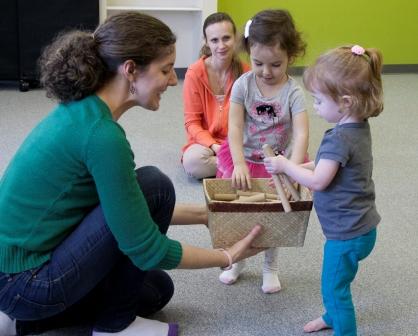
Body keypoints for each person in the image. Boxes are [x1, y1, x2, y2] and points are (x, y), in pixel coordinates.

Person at [0, 12, 265, 336]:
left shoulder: (86, 110)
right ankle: (114, 326)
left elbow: (122, 207)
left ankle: (29, 322)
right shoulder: (101, 136)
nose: (172, 80)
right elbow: (145, 246)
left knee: (155, 290)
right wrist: (226, 255)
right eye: (166, 70)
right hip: (24, 279)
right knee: (155, 187)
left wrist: (209, 214)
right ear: (130, 70)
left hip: (17, 271)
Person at [264, 44, 383, 335]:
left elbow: (319, 181)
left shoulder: (338, 139)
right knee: (337, 284)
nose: (314, 107)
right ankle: (332, 317)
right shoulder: (357, 129)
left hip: (347, 234)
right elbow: (322, 166)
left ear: (345, 102)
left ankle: (343, 327)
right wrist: (298, 168)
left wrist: (284, 166)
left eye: (318, 101)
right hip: (361, 228)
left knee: (334, 288)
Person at [216, 9, 309, 294]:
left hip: (276, 164)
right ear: (248, 55)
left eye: (275, 65)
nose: (266, 72)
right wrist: (240, 163)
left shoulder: (293, 92)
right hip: (243, 159)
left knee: (273, 217)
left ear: (290, 58)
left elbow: (302, 132)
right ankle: (239, 260)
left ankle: (270, 266)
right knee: (242, 212)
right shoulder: (243, 84)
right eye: (258, 63)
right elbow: (233, 126)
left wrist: (292, 169)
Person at [181, 12, 250, 179]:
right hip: (205, 144)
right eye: (214, 40)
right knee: (193, 162)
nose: (221, 45)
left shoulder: (247, 73)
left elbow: (251, 118)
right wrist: (214, 145)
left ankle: (237, 166)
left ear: (235, 38)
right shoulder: (194, 73)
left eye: (226, 38)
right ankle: (241, 168)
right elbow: (192, 123)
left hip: (238, 140)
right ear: (206, 42)